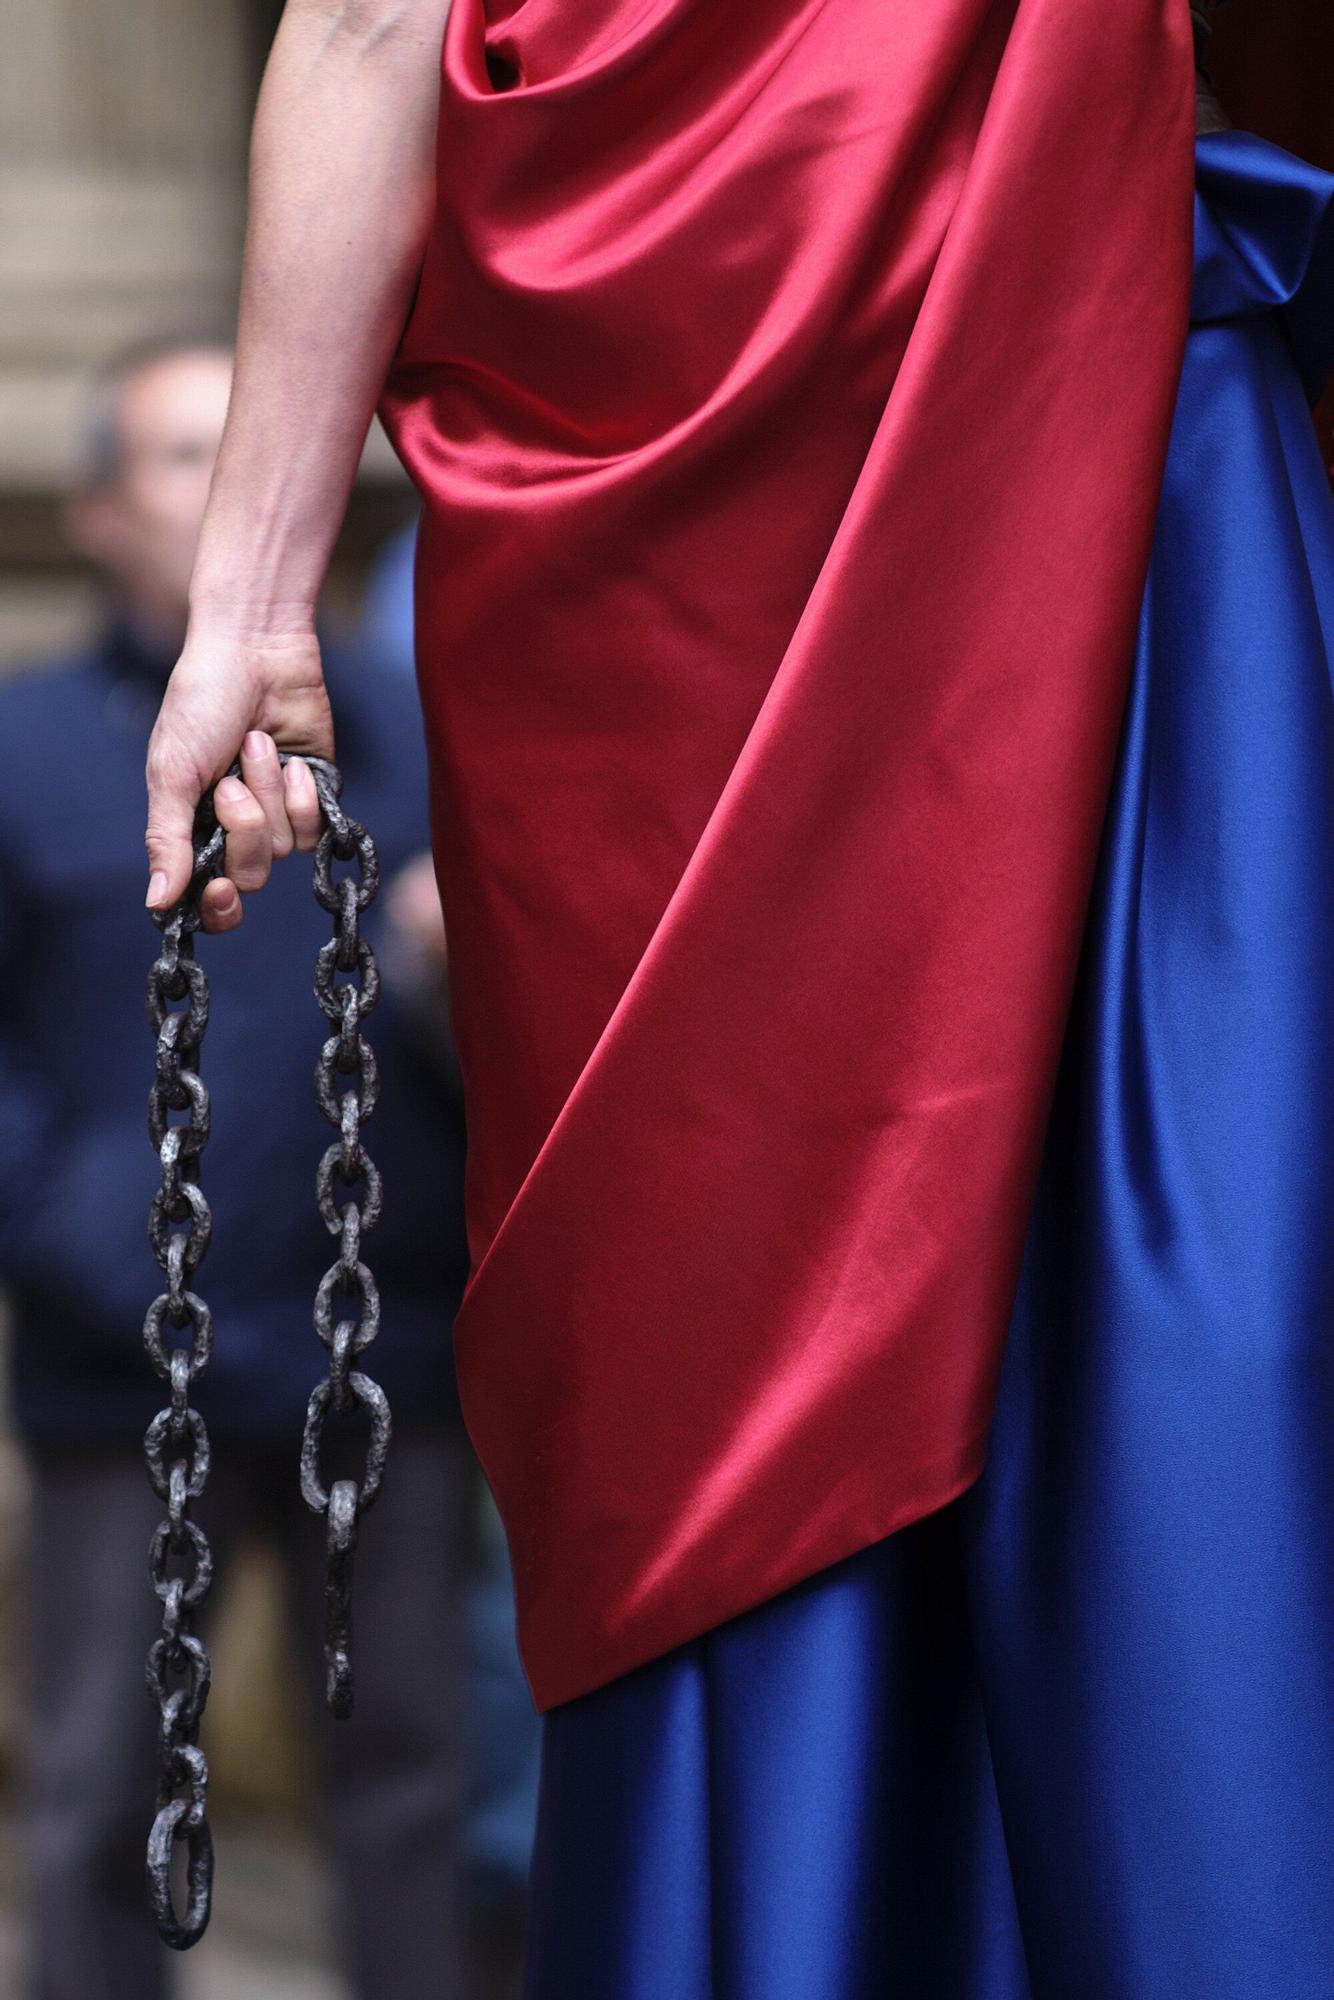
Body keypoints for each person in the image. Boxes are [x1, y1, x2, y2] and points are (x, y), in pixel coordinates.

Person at [140, 1, 1334, 1993]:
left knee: (1069, 1329)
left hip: (1037, 355)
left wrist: (261, 592)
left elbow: (361, 20)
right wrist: (255, 593)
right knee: (955, 1359)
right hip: (851, 455)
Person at [0, 334, 483, 1999]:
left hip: (384, 1355)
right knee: (104, 1793)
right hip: (120, 1365)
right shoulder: (22, 747)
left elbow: (484, 1037)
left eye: (254, 449)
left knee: (409, 1775)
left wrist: (443, 963)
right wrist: (74, 1232)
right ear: (96, 510)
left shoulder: (414, 727)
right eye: (184, 455)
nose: (232, 491)